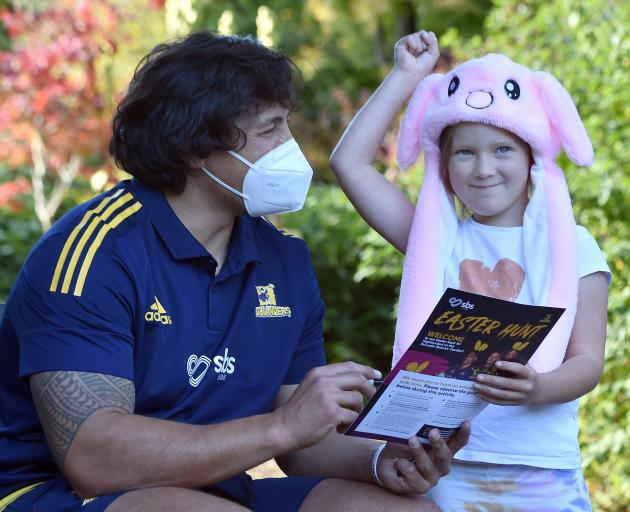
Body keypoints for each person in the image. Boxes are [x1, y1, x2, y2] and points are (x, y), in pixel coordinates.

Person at [0, 32, 471, 512]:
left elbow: (303, 446)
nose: (292, 149)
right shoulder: (92, 255)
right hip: (54, 495)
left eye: (287, 125)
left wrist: (383, 462)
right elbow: (95, 462)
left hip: (217, 493)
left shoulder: (283, 259)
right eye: (270, 129)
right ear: (193, 145)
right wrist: (281, 425)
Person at [330, 30, 610, 510]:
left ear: (531, 155)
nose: (483, 169)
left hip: (540, 469)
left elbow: (587, 361)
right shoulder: (435, 240)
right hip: (446, 465)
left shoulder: (574, 246)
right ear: (443, 163)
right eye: (465, 151)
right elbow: (349, 163)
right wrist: (407, 76)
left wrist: (538, 386)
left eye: (502, 149)